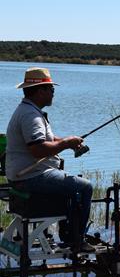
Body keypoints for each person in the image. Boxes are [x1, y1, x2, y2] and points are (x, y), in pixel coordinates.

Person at [6, 67, 94, 252]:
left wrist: (66, 140)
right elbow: (38, 149)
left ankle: (69, 234)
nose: (53, 93)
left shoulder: (29, 110)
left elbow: (46, 140)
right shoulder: (31, 115)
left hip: (26, 175)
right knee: (85, 187)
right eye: (51, 90)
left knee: (73, 185)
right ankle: (76, 240)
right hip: (30, 177)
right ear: (40, 91)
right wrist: (66, 144)